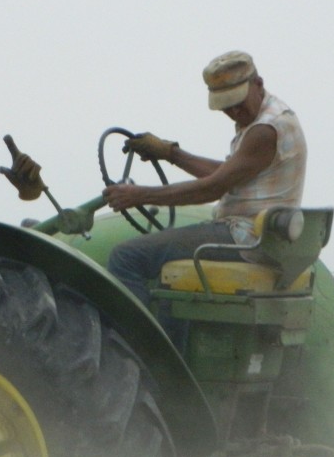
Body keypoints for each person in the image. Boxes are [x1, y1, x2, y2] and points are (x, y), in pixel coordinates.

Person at [102, 50, 307, 307]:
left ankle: (135, 346)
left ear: (258, 84)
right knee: (167, 272)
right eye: (226, 105)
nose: (233, 111)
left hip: (246, 237)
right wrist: (170, 153)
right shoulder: (268, 115)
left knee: (126, 256)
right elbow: (228, 173)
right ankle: (173, 345)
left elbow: (212, 189)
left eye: (237, 101)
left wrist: (138, 195)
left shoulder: (265, 130)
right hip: (262, 238)